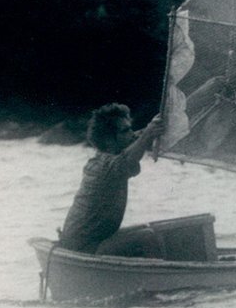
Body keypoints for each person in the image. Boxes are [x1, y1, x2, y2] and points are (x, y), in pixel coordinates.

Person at [59, 104, 166, 257]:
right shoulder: (105, 167)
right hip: (83, 249)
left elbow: (134, 139)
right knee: (147, 236)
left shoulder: (103, 157)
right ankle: (162, 279)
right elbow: (126, 159)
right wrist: (148, 134)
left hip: (87, 242)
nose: (131, 133)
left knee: (149, 228)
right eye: (125, 130)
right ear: (109, 140)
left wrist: (151, 129)